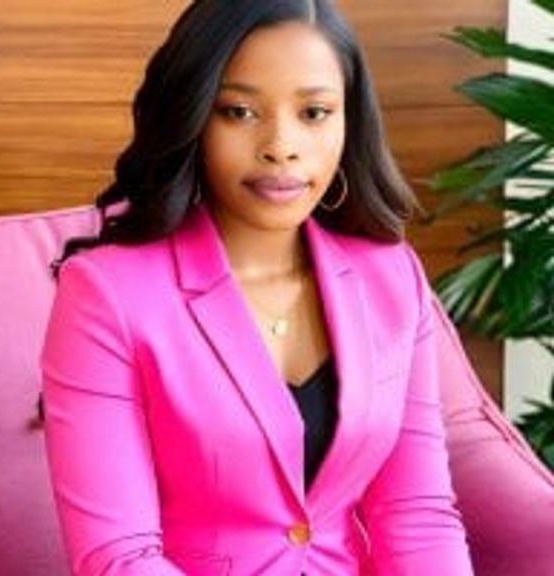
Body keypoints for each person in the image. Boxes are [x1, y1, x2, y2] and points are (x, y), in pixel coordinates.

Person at [41, 1, 475, 574]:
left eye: (314, 112)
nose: (281, 145)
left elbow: (416, 514)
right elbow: (119, 558)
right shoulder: (107, 294)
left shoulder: (390, 277)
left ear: (349, 121)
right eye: (239, 112)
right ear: (194, 116)